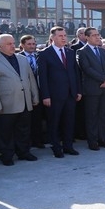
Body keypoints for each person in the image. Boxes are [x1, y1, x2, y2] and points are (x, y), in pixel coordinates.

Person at [0, 33, 39, 165]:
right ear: (0, 46)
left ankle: (24, 152)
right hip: (6, 104)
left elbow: (30, 79)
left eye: (13, 43)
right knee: (5, 132)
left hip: (25, 102)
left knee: (24, 129)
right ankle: (7, 155)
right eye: (9, 44)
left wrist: (35, 96)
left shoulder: (22, 59)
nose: (13, 46)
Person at [37, 26, 82, 157]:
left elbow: (75, 73)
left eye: (65, 36)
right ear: (52, 38)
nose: (63, 38)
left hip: (70, 94)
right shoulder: (44, 53)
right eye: (60, 36)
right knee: (54, 122)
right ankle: (56, 147)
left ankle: (68, 146)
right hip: (54, 95)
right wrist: (45, 95)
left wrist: (78, 90)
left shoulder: (70, 52)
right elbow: (42, 76)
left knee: (69, 121)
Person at [76, 27, 105, 150]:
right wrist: (103, 79)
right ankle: (92, 141)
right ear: (86, 37)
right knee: (92, 116)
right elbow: (87, 69)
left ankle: (102, 139)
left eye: (98, 35)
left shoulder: (103, 51)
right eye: (94, 35)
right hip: (92, 89)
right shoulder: (82, 52)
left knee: (103, 115)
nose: (97, 37)